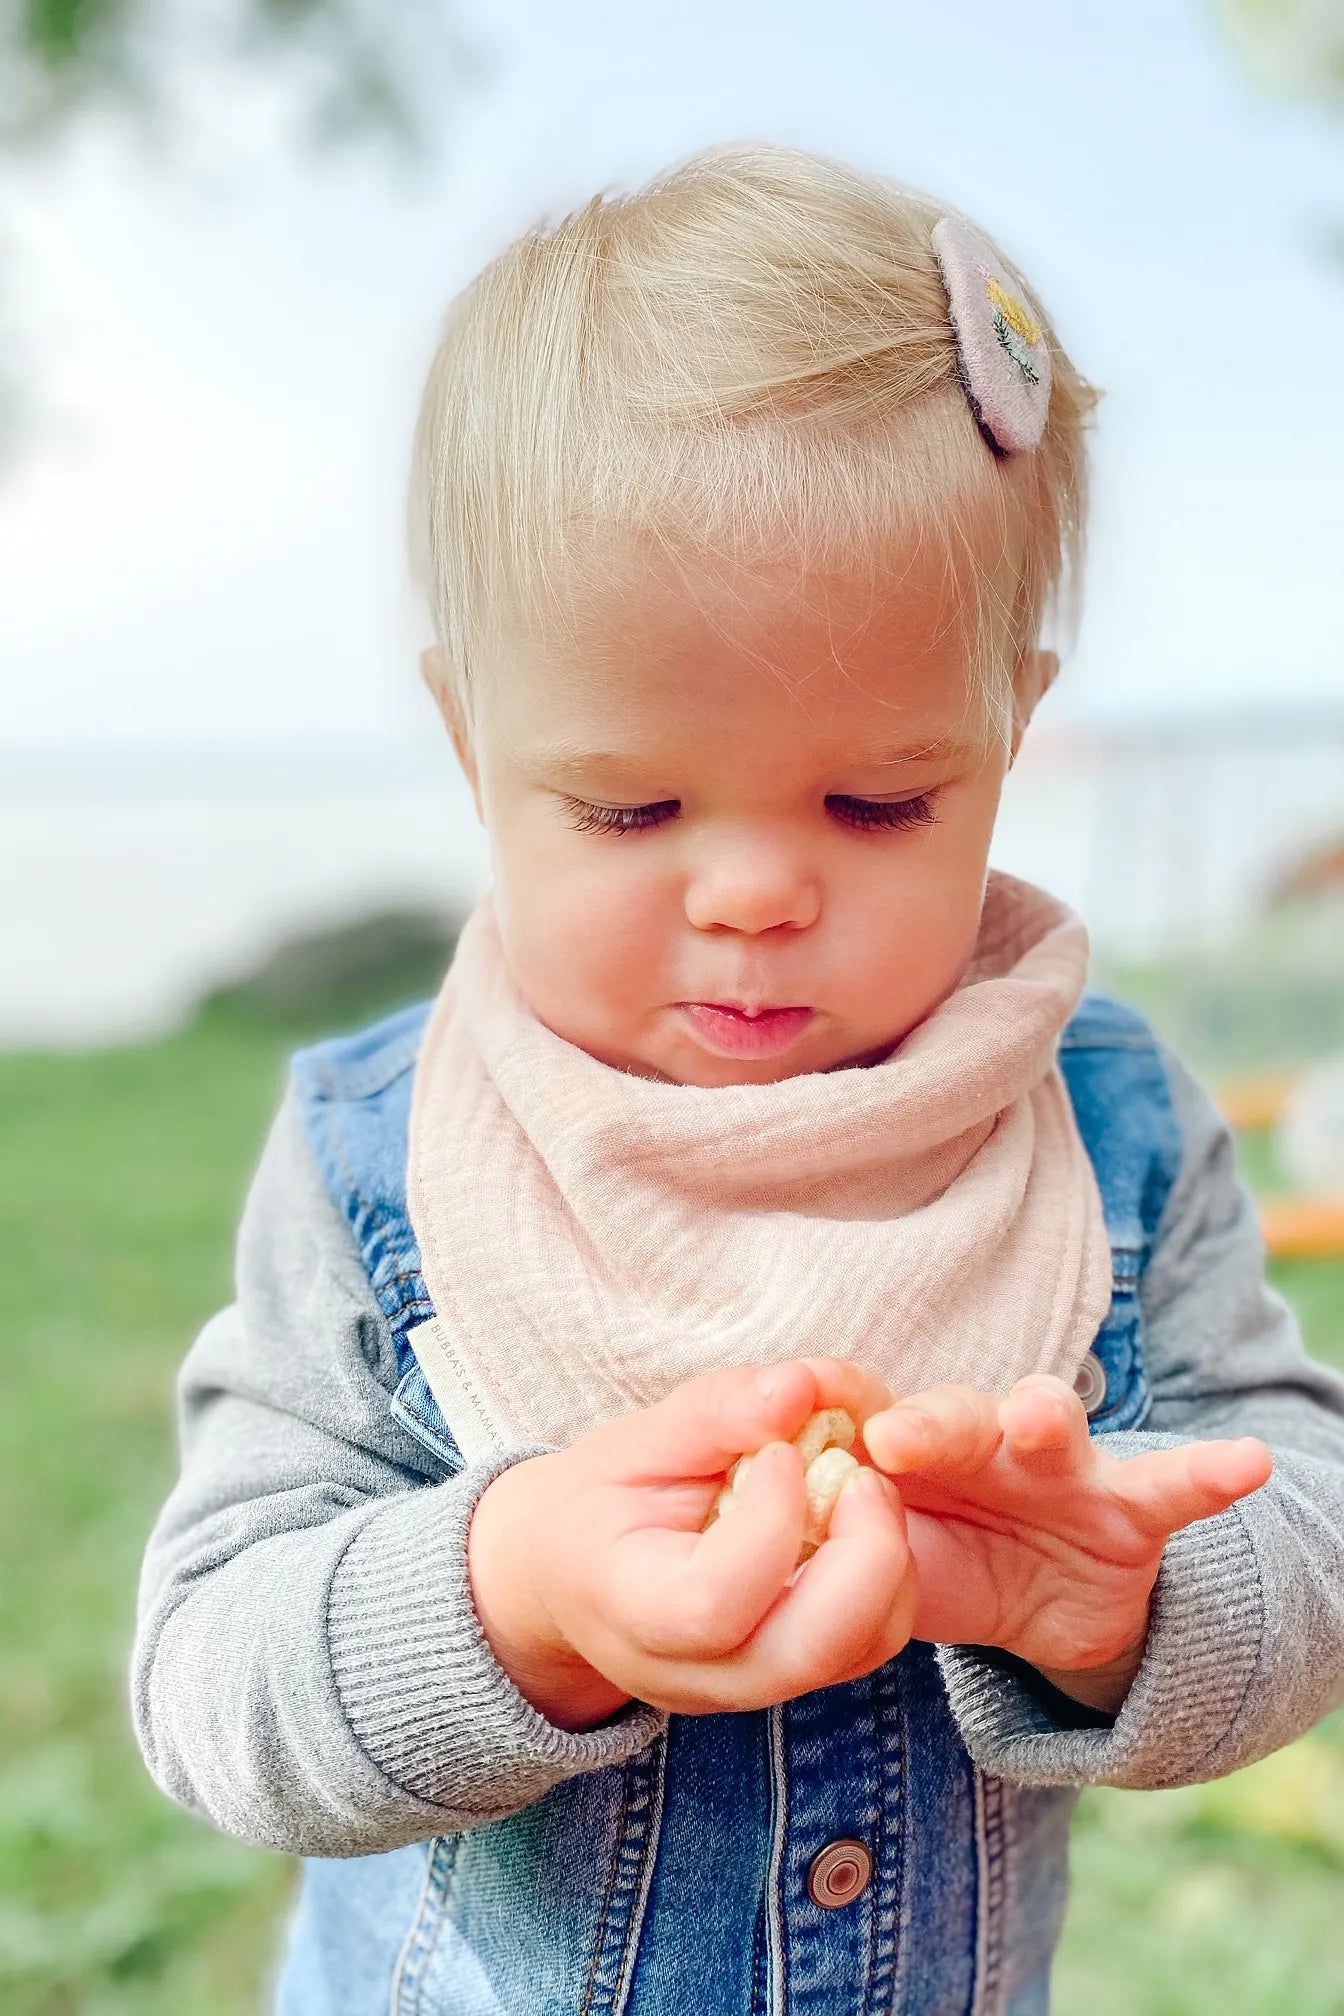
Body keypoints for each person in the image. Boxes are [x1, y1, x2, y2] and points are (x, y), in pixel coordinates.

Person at [131, 142, 1344, 2015]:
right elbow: (210, 1675)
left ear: (1011, 729)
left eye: (881, 801)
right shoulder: (390, 1157)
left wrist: (1128, 1606)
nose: (761, 890)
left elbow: (1302, 1514)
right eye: (629, 806)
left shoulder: (1100, 1129)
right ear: (474, 741)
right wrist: (507, 1593)